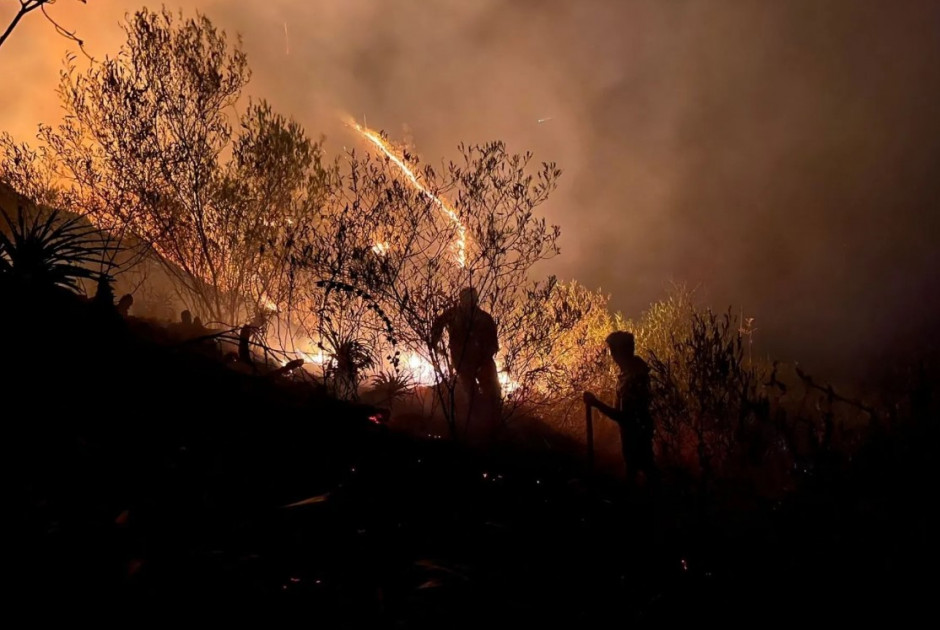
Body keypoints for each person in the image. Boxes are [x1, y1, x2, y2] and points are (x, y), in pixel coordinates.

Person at [584, 331, 657, 486]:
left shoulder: (633, 379)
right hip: (636, 436)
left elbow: (625, 417)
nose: (611, 354)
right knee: (644, 473)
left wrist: (596, 403)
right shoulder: (632, 373)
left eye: (612, 350)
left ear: (619, 351)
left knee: (644, 474)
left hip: (637, 437)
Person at [430, 287, 501, 408]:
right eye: (467, 298)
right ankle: (476, 419)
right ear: (461, 299)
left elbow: (493, 343)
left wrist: (485, 357)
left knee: (493, 393)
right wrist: (434, 345)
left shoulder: (484, 318)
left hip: (483, 361)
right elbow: (437, 325)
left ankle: (491, 418)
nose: (469, 301)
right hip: (462, 361)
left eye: (472, 298)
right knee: (472, 394)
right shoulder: (454, 314)